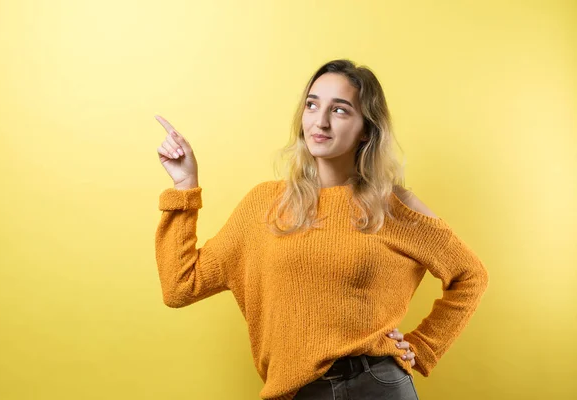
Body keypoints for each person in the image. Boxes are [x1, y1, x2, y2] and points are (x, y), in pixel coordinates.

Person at [154, 59, 489, 400]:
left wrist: (424, 346)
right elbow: (181, 285)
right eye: (312, 105)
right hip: (296, 391)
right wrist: (185, 187)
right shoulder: (264, 204)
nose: (321, 121)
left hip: (375, 385)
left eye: (340, 110)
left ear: (366, 129)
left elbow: (471, 275)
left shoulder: (393, 206)